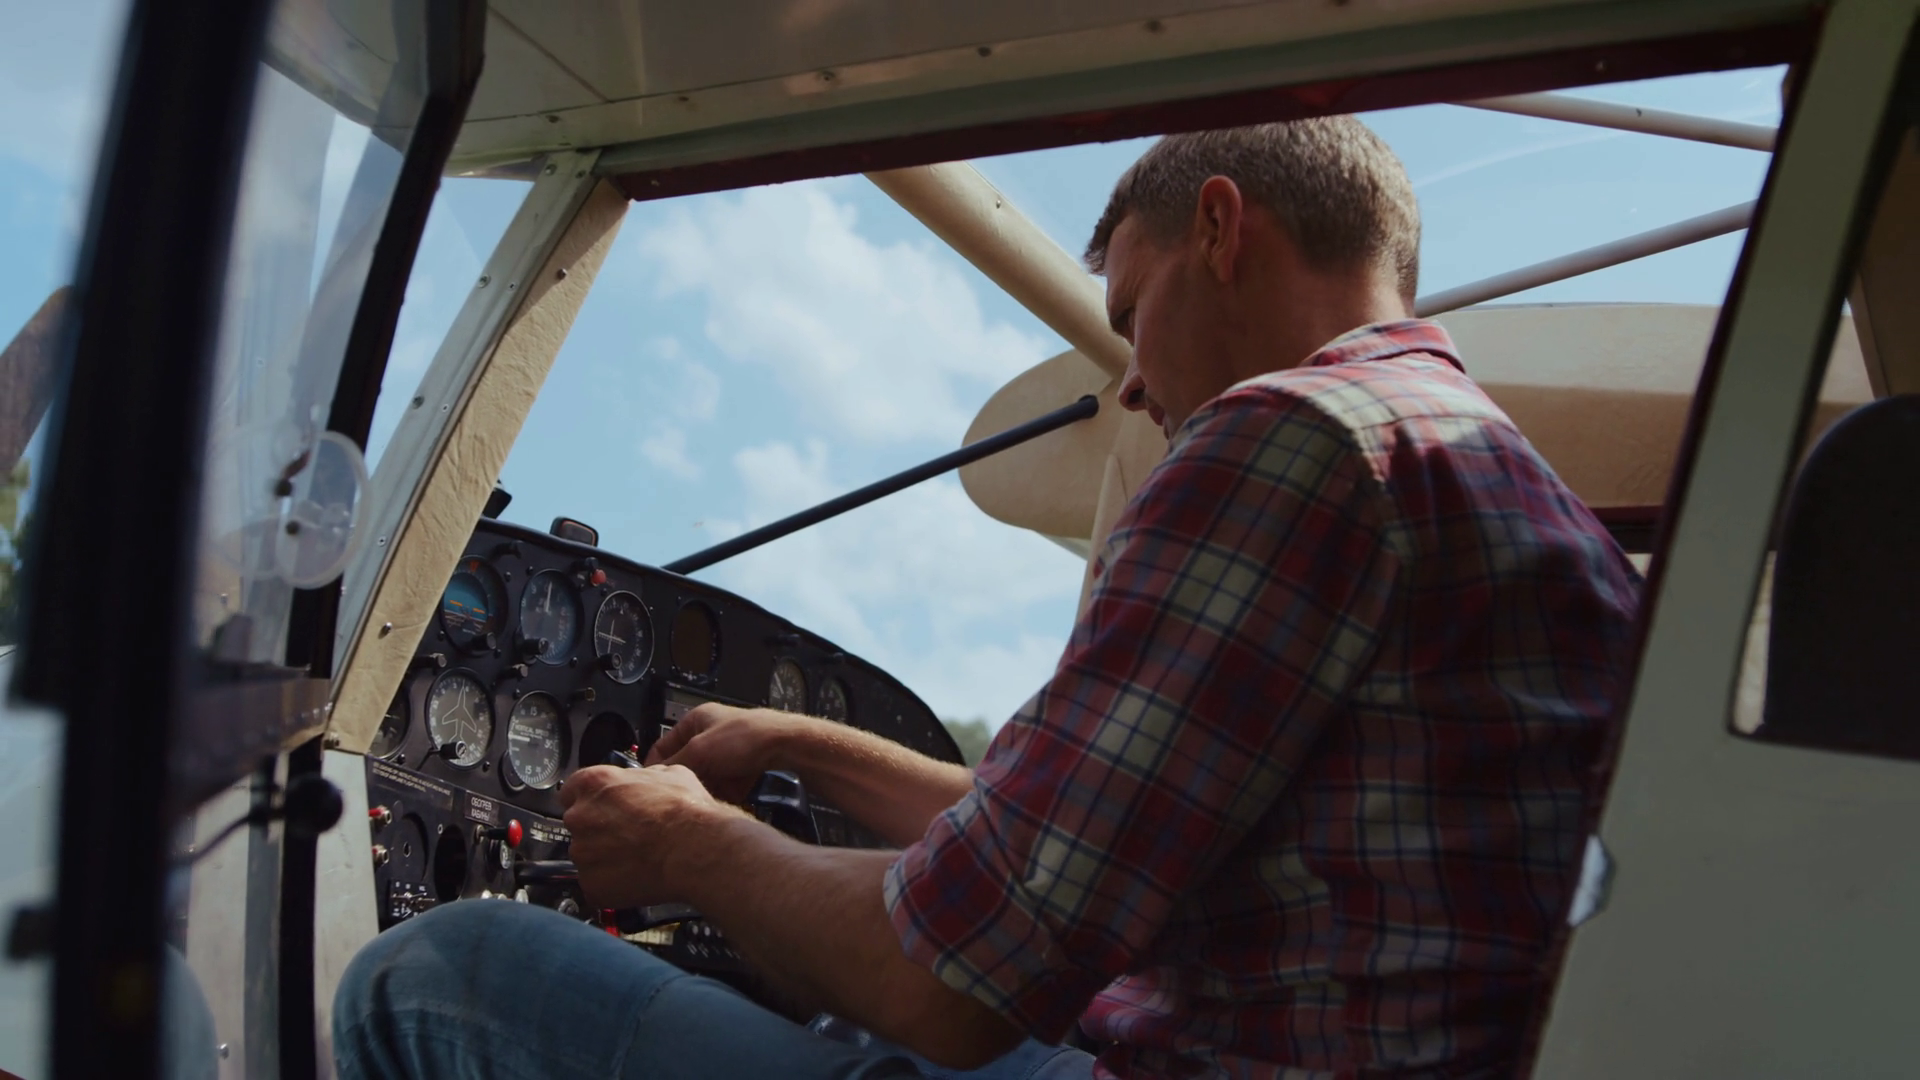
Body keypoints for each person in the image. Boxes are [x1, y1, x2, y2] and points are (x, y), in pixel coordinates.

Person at [333, 117, 1641, 1079]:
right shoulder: (1509, 485)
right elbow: (1066, 841)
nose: (1132, 383)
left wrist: (686, 846)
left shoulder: (1292, 439)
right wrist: (793, 740)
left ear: (1221, 230)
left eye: (1132, 313)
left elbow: (952, 980)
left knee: (441, 975)